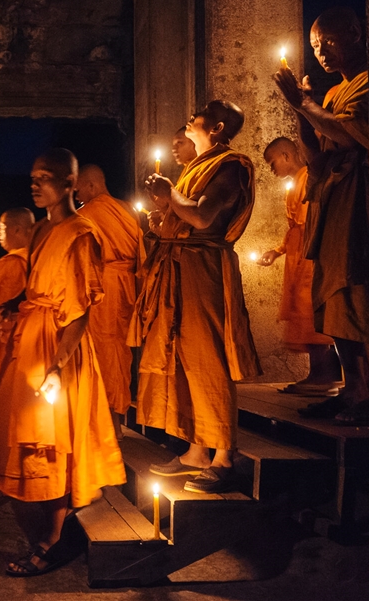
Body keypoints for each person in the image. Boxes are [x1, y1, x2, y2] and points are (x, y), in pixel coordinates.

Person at [0, 148, 126, 577]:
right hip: (32, 342)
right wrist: (14, 306)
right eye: (32, 177)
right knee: (29, 440)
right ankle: (47, 536)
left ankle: (54, 540)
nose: (35, 184)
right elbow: (39, 288)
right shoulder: (40, 232)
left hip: (58, 351)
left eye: (46, 177)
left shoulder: (81, 233)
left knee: (52, 444)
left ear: (70, 184)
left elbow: (80, 310)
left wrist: (57, 366)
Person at [131, 101, 261, 494]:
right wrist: (165, 218)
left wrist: (171, 195)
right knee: (184, 359)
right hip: (179, 267)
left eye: (203, 112)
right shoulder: (195, 167)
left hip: (203, 270)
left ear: (218, 127)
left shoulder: (231, 165)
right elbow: (186, 216)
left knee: (207, 360)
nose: (192, 113)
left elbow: (203, 218)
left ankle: (223, 456)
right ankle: (195, 451)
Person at [273, 6, 369, 424]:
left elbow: (351, 135)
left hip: (356, 203)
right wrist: (302, 111)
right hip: (330, 205)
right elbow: (316, 158)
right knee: (331, 299)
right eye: (315, 47)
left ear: (355, 33)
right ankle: (352, 390)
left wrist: (305, 103)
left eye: (328, 42)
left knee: (355, 294)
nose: (322, 53)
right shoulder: (332, 95)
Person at [257, 137, 341, 394]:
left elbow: (308, 224)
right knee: (303, 311)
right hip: (298, 253)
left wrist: (303, 254)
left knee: (309, 312)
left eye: (273, 163)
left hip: (308, 256)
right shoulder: (297, 182)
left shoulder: (308, 178)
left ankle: (322, 375)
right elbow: (295, 227)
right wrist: (278, 251)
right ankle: (321, 373)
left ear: (286, 155)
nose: (272, 170)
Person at [75, 164, 145, 436]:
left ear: (92, 186)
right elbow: (141, 252)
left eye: (79, 189)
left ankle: (110, 423)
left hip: (104, 288)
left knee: (105, 353)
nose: (77, 195)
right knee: (120, 353)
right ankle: (113, 419)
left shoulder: (87, 214)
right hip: (129, 286)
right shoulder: (129, 209)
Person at [0, 208, 33, 479]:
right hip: (14, 332)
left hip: (3, 336)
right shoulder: (29, 258)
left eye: (2, 228)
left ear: (17, 230)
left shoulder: (15, 263)